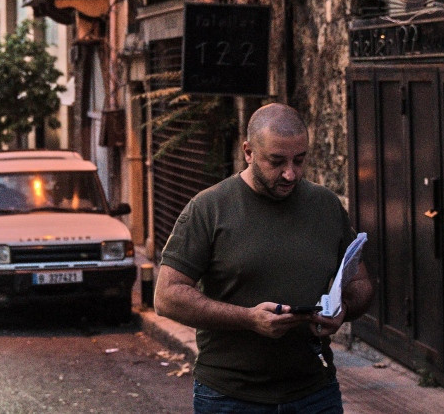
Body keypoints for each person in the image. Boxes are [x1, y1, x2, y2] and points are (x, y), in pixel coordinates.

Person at [154, 103, 373, 414]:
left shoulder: (325, 205)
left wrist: (343, 310)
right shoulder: (208, 208)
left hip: (314, 392)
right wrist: (248, 319)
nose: (290, 173)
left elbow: (361, 282)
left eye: (300, 160)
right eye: (277, 161)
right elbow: (167, 296)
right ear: (248, 152)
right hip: (230, 397)